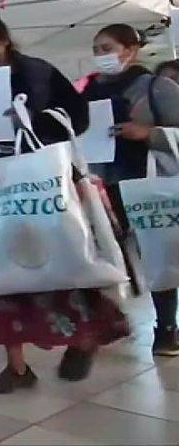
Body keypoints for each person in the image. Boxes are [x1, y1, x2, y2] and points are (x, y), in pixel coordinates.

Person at [0, 16, 129, 394]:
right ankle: (17, 366)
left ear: (3, 40)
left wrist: (33, 121)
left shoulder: (38, 74)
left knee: (57, 261)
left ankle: (82, 338)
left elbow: (78, 117)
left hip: (36, 185)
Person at [79, 24, 179, 356]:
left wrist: (147, 133)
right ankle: (112, 320)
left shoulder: (156, 87)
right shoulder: (88, 92)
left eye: (106, 48)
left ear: (130, 50)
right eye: (96, 49)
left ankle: (166, 327)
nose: (100, 56)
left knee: (157, 252)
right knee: (108, 253)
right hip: (103, 183)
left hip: (150, 181)